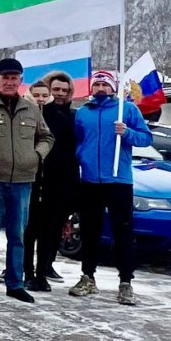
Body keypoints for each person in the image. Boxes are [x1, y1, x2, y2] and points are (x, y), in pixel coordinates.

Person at [0, 58, 54, 303]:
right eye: (5, 77)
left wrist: (36, 156)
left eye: (14, 78)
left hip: (22, 182)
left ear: (20, 80)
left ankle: (15, 284)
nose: (9, 82)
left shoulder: (31, 108)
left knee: (18, 235)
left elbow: (46, 137)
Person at [69, 70, 152, 305]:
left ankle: (125, 282)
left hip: (118, 180)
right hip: (91, 180)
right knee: (90, 230)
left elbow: (146, 139)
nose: (100, 89)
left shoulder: (125, 109)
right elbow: (79, 139)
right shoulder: (84, 112)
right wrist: (80, 156)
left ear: (114, 88)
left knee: (122, 232)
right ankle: (88, 277)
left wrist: (127, 133)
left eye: (105, 85)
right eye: (97, 85)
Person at [27, 71, 80, 286]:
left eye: (64, 91)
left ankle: (45, 266)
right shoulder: (31, 110)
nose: (59, 94)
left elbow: (68, 139)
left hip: (60, 179)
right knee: (30, 228)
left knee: (52, 227)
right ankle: (26, 270)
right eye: (55, 89)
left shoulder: (72, 115)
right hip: (33, 176)